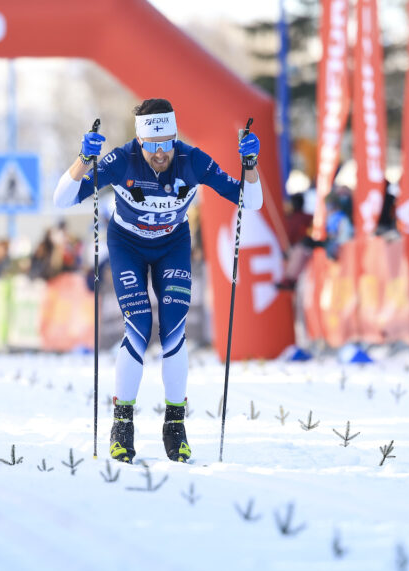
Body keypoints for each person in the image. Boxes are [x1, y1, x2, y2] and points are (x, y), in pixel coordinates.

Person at [52, 98, 263, 463]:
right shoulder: (122, 160)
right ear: (140, 141)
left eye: (167, 143)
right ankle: (122, 426)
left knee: (173, 330)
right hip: (127, 244)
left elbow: (251, 201)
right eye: (152, 146)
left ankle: (175, 426)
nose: (161, 153)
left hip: (173, 246)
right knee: (138, 325)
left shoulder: (191, 159)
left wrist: (251, 165)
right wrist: (83, 160)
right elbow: (62, 199)